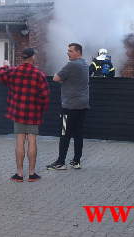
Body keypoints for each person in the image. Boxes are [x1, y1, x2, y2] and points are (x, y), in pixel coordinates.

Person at [0, 48, 49, 182]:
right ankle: (32, 174)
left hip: (18, 113)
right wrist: (41, 110)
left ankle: (19, 174)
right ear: (32, 57)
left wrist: (5, 66)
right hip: (33, 114)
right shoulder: (39, 74)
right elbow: (45, 96)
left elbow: (0, 76)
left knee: (20, 141)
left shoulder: (13, 71)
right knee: (32, 141)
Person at [47, 42, 89, 171]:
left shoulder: (71, 65)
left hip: (69, 106)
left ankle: (60, 162)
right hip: (82, 106)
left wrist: (61, 78)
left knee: (64, 133)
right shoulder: (85, 64)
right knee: (78, 134)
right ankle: (76, 161)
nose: (68, 53)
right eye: (68, 50)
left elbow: (55, 78)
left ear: (78, 52)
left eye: (70, 51)